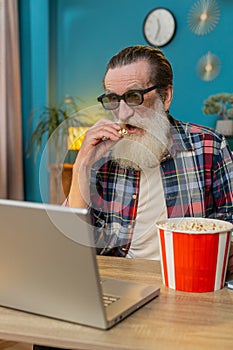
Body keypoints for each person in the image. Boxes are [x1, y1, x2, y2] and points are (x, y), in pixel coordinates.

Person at [34, 45, 233, 350]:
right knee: (48, 341)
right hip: (119, 290)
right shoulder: (103, 156)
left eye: (134, 97)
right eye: (113, 100)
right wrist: (82, 169)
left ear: (165, 96)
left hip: (188, 293)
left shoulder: (210, 148)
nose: (123, 113)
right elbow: (70, 249)